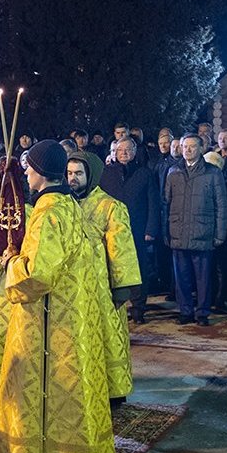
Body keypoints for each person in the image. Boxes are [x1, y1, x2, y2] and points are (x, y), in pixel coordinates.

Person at [0, 139, 115, 453]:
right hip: (70, 322)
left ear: (40, 171)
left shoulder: (48, 211)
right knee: (66, 403)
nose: (25, 173)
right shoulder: (70, 205)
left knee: (46, 397)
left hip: (49, 327)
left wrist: (11, 262)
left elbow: (38, 274)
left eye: (29, 167)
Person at [69, 150, 141, 406]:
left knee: (109, 337)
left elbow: (122, 249)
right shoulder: (65, 205)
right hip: (75, 287)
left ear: (91, 175)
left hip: (103, 287)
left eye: (78, 173)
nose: (73, 179)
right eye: (69, 174)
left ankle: (114, 391)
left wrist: (122, 287)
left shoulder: (111, 206)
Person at [164, 134, 227, 326]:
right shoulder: (173, 171)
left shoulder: (213, 173)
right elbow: (165, 203)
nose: (188, 150)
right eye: (185, 147)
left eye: (192, 147)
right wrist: (166, 231)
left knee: (203, 278)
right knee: (181, 277)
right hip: (179, 231)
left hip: (203, 232)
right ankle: (185, 311)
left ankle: (202, 313)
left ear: (201, 149)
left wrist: (220, 234)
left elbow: (221, 205)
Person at [100, 137, 160, 321]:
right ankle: (114, 306)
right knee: (112, 267)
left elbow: (153, 203)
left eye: (128, 150)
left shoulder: (145, 173)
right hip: (111, 230)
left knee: (139, 269)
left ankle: (138, 308)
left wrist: (151, 229)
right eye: (120, 150)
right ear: (115, 152)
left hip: (137, 228)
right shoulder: (106, 174)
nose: (124, 153)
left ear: (134, 152)